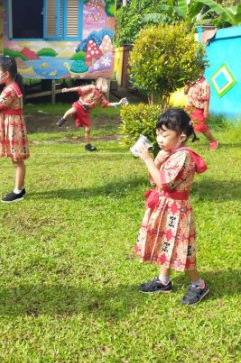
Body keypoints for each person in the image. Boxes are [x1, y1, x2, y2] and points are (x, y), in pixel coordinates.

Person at [135, 108, 209, 305]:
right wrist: (157, 162)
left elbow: (165, 184)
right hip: (165, 206)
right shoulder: (169, 153)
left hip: (177, 209)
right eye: (158, 134)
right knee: (164, 242)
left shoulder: (182, 156)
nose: (160, 139)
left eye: (165, 135)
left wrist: (148, 160)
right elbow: (154, 181)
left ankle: (198, 284)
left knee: (181, 247)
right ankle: (163, 280)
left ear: (181, 136)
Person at [0, 56, 30, 203]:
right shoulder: (11, 87)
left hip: (14, 127)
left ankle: (18, 192)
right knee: (16, 159)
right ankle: (20, 188)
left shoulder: (10, 90)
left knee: (17, 160)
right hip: (12, 124)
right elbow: (1, 108)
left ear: (6, 74)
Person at [56, 77, 127, 151]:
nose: (105, 85)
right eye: (104, 83)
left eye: (106, 84)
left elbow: (107, 103)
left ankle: (88, 145)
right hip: (80, 104)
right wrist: (68, 89)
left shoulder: (101, 96)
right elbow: (79, 88)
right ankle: (62, 119)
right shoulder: (92, 87)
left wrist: (118, 103)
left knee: (88, 129)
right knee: (73, 110)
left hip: (85, 111)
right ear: (99, 83)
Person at [185, 73, 218, 151]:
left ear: (202, 72)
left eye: (200, 71)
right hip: (189, 107)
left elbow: (206, 98)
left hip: (198, 108)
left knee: (201, 126)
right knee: (185, 124)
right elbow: (185, 92)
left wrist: (206, 110)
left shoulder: (205, 84)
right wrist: (188, 85)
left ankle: (213, 141)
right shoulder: (191, 81)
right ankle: (182, 143)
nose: (198, 73)